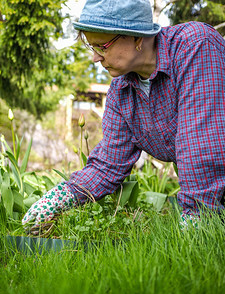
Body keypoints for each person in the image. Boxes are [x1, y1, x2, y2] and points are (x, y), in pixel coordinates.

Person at [22, 0, 225, 230]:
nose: (95, 58)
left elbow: (200, 143)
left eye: (102, 46)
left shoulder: (195, 47)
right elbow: (108, 164)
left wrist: (197, 215)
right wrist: (61, 197)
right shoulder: (122, 90)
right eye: (92, 48)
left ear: (137, 37)